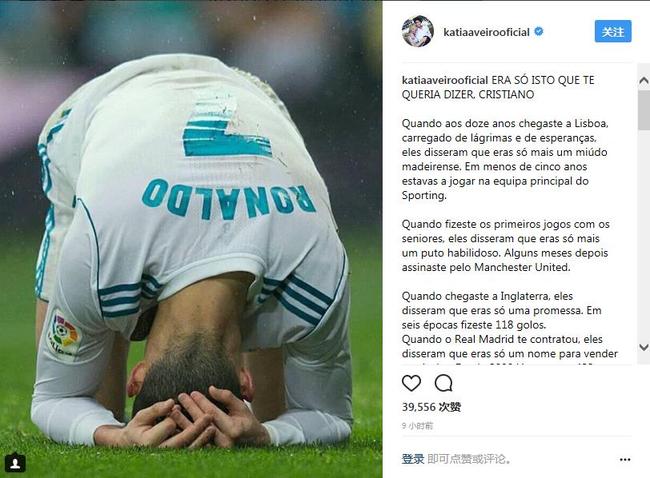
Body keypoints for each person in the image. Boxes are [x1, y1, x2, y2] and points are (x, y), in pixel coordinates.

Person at [31, 54, 352, 448]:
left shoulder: (318, 265)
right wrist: (270, 433)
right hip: (105, 105)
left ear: (138, 378)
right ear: (245, 384)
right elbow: (329, 416)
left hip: (243, 97)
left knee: (95, 394)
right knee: (271, 410)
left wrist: (115, 436)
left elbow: (56, 398)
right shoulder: (98, 251)